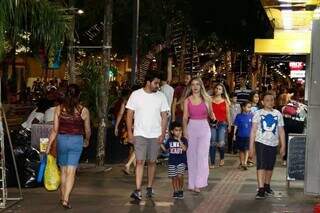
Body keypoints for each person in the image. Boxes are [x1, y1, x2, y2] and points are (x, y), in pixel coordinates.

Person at [126, 71, 169, 201]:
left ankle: (149, 187)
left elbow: (164, 117)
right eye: (156, 83)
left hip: (155, 135)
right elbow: (129, 115)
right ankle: (138, 190)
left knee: (151, 162)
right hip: (139, 133)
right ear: (148, 82)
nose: (158, 86)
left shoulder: (161, 96)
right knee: (139, 161)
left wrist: (162, 134)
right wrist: (129, 132)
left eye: (159, 83)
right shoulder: (136, 95)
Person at [46, 84, 91, 209]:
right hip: (76, 141)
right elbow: (87, 129)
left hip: (62, 140)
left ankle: (62, 196)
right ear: (79, 95)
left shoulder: (59, 109)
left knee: (63, 170)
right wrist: (87, 140)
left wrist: (49, 145)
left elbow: (54, 130)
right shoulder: (84, 110)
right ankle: (65, 199)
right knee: (71, 171)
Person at [249, 92, 285, 199]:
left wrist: (283, 146)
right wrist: (251, 146)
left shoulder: (278, 114)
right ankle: (260, 189)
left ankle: (267, 186)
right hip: (260, 142)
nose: (270, 102)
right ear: (262, 102)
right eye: (267, 100)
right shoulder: (258, 113)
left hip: (273, 144)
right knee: (261, 165)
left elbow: (281, 131)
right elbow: (253, 130)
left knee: (270, 166)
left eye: (272, 100)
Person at [183, 77, 215, 193]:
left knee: (202, 156)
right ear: (190, 86)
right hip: (191, 127)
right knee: (191, 156)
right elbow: (185, 117)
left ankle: (199, 183)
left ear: (201, 86)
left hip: (204, 128)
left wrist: (214, 117)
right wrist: (185, 130)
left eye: (197, 84)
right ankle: (192, 183)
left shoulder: (207, 99)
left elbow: (211, 114)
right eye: (193, 84)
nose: (195, 87)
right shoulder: (187, 100)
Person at [162, 121, 188, 199]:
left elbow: (184, 149)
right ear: (172, 131)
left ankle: (180, 189)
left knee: (180, 175)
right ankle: (175, 191)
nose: (178, 132)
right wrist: (160, 144)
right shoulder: (169, 140)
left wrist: (179, 140)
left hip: (181, 161)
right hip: (172, 162)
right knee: (174, 177)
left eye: (180, 130)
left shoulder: (184, 139)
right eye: (176, 130)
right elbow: (165, 150)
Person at [281, 89, 307, 166]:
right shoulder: (304, 106)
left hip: (287, 124)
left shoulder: (287, 105)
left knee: (286, 140)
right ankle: (295, 158)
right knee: (297, 141)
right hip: (299, 125)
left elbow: (283, 113)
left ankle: (285, 159)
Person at [114, 89, 136, 175]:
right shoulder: (136, 102)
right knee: (137, 148)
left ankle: (134, 168)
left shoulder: (125, 102)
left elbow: (120, 114)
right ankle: (128, 165)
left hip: (126, 127)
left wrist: (116, 126)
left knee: (133, 148)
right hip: (135, 127)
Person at [210, 83, 231, 168]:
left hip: (222, 123)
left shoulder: (225, 101)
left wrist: (229, 124)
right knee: (213, 142)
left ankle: (222, 158)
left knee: (221, 142)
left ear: (222, 91)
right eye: (216, 88)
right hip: (212, 123)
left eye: (219, 89)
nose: (217, 90)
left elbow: (228, 114)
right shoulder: (210, 99)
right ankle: (212, 162)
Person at [233, 101, 253, 170]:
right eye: (248, 107)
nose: (249, 109)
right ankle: (241, 162)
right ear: (243, 107)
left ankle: (245, 163)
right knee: (241, 150)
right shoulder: (239, 116)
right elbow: (235, 126)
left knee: (247, 150)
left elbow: (253, 126)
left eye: (250, 107)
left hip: (248, 136)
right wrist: (234, 135)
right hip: (240, 136)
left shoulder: (251, 115)